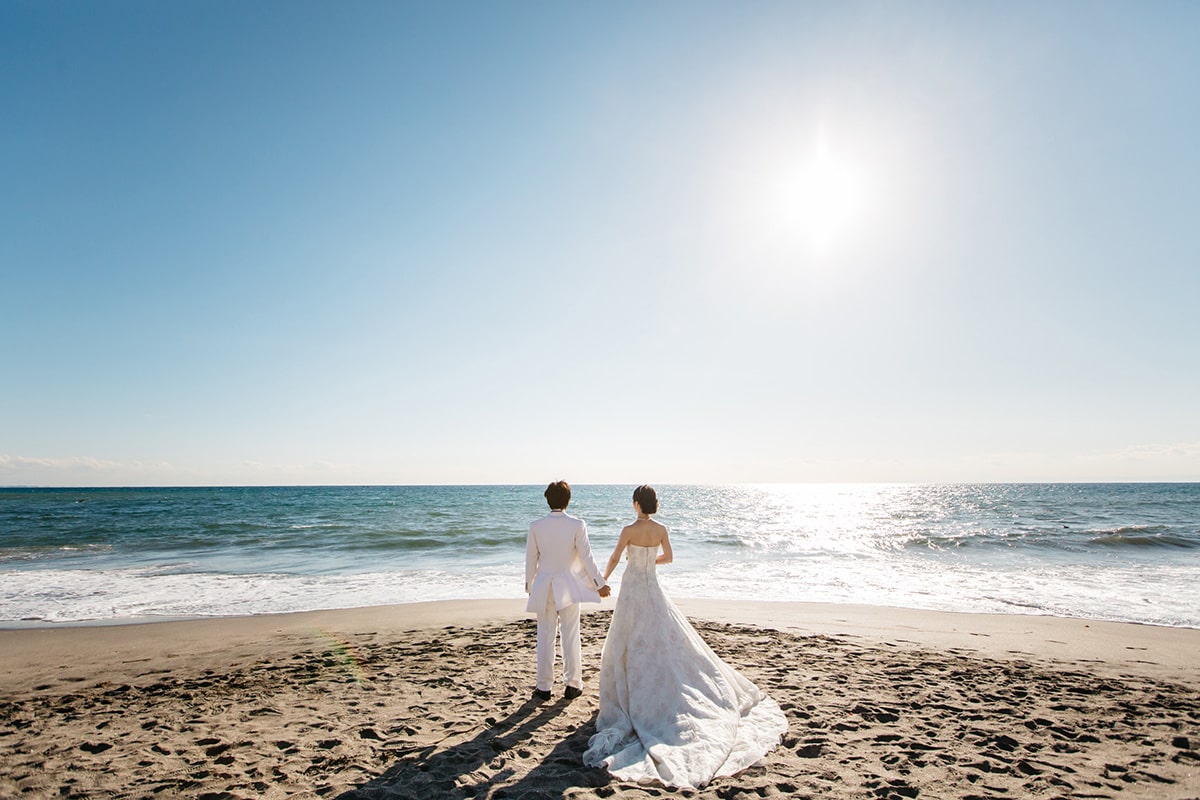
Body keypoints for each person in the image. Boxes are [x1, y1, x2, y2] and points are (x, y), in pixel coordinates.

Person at [583, 485, 787, 788]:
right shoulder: (661, 528)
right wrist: (649, 561)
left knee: (628, 639)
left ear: (637, 504)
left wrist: (602, 582)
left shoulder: (628, 529)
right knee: (660, 636)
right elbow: (669, 557)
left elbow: (614, 558)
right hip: (651, 585)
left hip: (631, 588)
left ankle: (632, 691)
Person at [525, 480, 611, 701]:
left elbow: (531, 560)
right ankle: (573, 684)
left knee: (544, 637)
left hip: (544, 586)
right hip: (569, 588)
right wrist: (599, 583)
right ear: (568, 500)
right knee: (570, 635)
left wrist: (529, 586)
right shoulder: (576, 524)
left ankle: (543, 687)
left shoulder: (536, 526)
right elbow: (586, 557)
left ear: (547, 500)